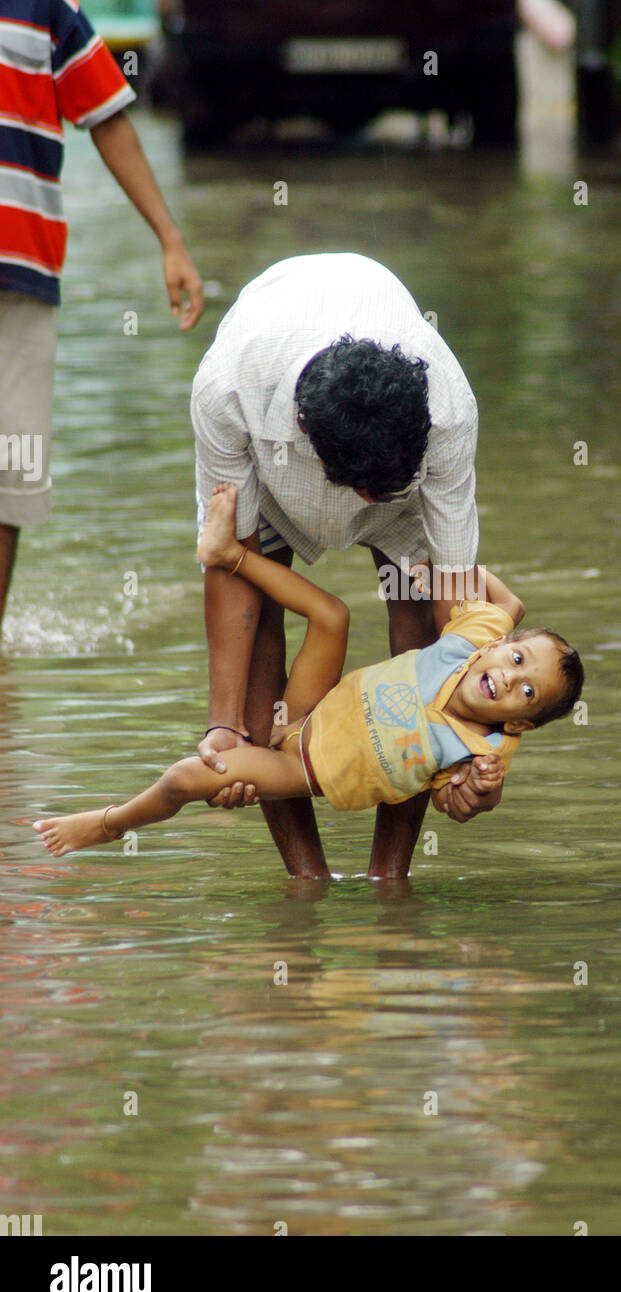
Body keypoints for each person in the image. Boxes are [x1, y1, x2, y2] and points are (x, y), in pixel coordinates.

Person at [33, 483, 584, 860]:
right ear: (502, 647)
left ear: (521, 724)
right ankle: (229, 554)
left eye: (527, 691)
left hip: (301, 766)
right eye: (517, 659)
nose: (512, 678)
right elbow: (512, 606)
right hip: (308, 709)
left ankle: (110, 823)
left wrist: (482, 791)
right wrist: (441, 565)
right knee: (332, 614)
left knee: (185, 778)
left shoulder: (483, 748)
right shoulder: (475, 641)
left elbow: (452, 802)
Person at [190, 253, 495, 880]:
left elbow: (458, 601)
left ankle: (391, 882)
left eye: (375, 487)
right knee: (261, 639)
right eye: (356, 486)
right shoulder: (228, 388)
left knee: (420, 644)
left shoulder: (448, 413)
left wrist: (471, 749)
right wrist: (223, 728)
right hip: (269, 470)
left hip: (408, 493)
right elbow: (231, 572)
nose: (361, 502)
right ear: (305, 427)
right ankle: (308, 881)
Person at [0, 0, 203, 627]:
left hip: (23, 277)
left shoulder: (44, 0)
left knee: (12, 473)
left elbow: (108, 119)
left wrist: (169, 239)